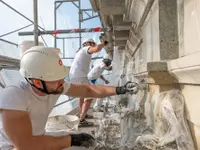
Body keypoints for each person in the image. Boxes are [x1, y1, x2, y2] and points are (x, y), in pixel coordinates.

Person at [0, 45, 138, 150]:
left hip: (37, 138)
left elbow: (87, 89)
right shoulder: (15, 96)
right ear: (37, 82)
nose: (62, 82)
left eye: (61, 77)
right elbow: (26, 145)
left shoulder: (54, 85)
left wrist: (120, 89)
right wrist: (72, 139)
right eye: (56, 79)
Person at [69, 38, 109, 127]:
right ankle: (81, 120)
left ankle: (82, 115)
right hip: (80, 77)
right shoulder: (85, 49)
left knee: (81, 97)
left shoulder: (80, 52)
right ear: (87, 43)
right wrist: (105, 42)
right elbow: (97, 49)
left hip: (74, 77)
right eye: (92, 44)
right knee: (90, 97)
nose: (93, 45)